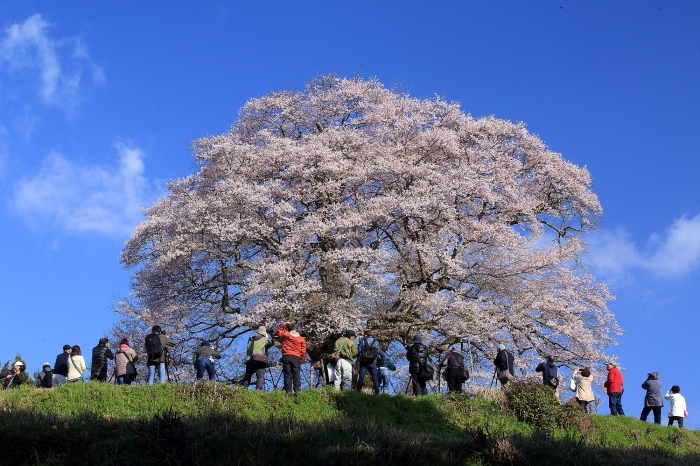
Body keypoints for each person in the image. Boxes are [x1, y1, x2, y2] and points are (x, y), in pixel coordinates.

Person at [276, 322, 307, 393]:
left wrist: (284, 324)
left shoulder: (286, 335)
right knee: (296, 374)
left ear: (288, 329)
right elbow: (303, 351)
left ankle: (288, 391)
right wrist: (302, 359)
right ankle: (297, 391)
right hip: (296, 358)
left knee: (287, 374)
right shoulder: (301, 339)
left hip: (286, 356)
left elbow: (278, 331)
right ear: (295, 329)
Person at [356, 329, 383, 394]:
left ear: (365, 334)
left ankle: (358, 391)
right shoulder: (376, 342)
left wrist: (363, 357)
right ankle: (377, 393)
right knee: (375, 378)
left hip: (364, 361)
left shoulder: (363, 341)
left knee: (361, 377)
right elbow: (378, 352)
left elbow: (359, 351)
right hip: (373, 362)